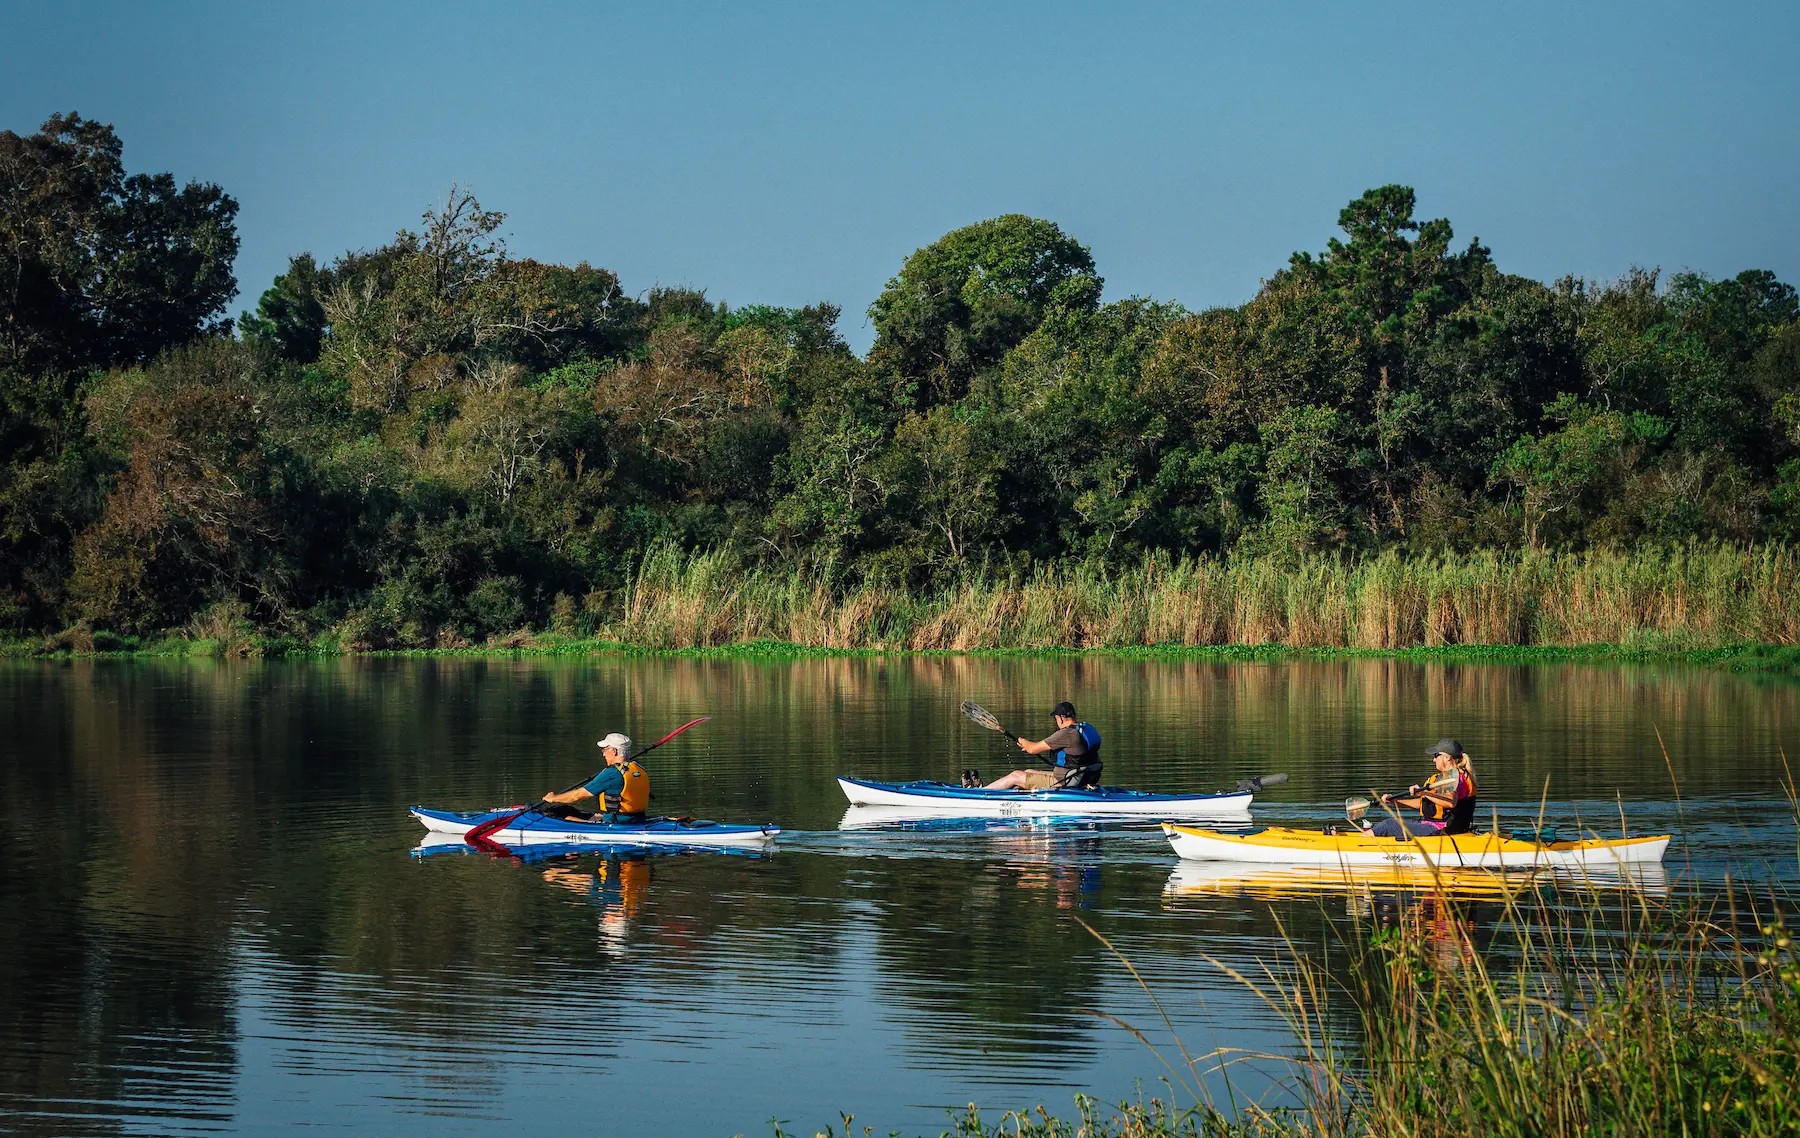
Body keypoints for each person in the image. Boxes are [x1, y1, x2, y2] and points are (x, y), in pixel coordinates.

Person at [981, 701, 1103, 790]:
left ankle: (980, 794)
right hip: (1079, 778)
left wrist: (1023, 741)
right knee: (1028, 771)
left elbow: (1033, 749)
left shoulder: (1066, 734)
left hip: (1064, 781)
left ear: (1060, 718)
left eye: (1056, 718)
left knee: (1015, 776)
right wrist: (1028, 745)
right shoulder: (1086, 729)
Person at [1369, 738, 1477, 838]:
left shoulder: (1454, 779)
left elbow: (1450, 802)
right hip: (1435, 826)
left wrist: (1424, 793)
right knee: (1388, 825)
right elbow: (1425, 803)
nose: (1433, 760)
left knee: (1389, 825)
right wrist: (1395, 802)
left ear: (1447, 757)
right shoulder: (1448, 777)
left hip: (1442, 829)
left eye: (1436, 755)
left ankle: (1360, 845)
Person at [540, 732, 651, 823]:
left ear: (614, 751)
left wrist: (553, 798)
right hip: (638, 819)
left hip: (616, 822)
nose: (603, 754)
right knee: (569, 810)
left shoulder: (611, 774)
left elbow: (576, 796)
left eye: (605, 750)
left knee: (565, 816)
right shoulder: (639, 768)